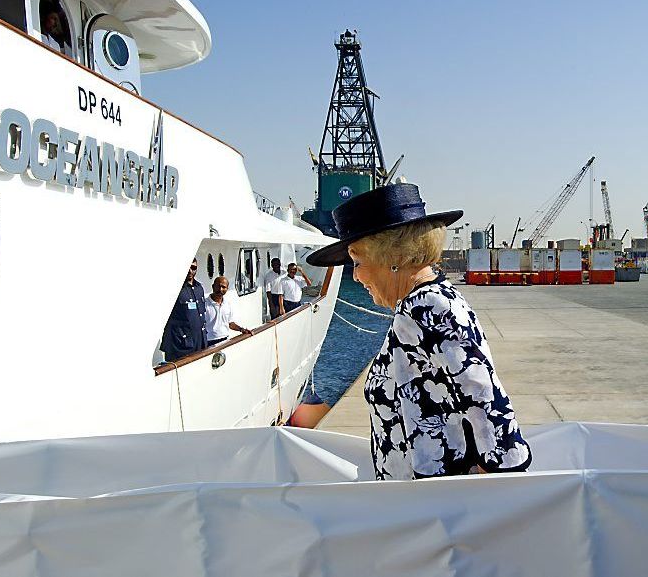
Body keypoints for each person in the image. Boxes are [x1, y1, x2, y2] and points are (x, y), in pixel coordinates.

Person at [306, 183, 532, 480]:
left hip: (432, 502)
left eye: (358, 262)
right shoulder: (430, 299)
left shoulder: (425, 307)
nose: (356, 275)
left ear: (392, 258)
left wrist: (497, 476)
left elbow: (481, 390)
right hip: (420, 497)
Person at [161, 259, 208, 362]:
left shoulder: (199, 288)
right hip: (180, 346)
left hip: (200, 342)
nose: (190, 271)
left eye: (193, 268)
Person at [203, 276, 252, 347]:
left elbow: (230, 323)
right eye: (218, 286)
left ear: (227, 289)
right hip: (209, 341)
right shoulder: (204, 304)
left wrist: (241, 329)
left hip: (225, 340)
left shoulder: (227, 304)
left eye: (223, 287)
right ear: (213, 286)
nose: (220, 289)